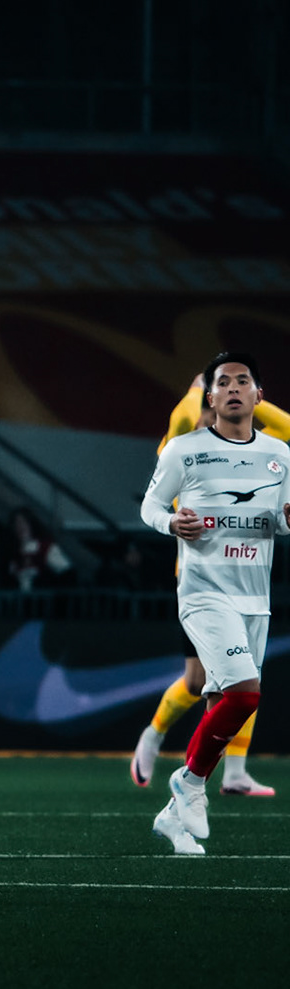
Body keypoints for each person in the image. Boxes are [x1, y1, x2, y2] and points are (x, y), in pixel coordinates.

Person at [138, 352, 290, 855]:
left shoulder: (280, 455)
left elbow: (281, 520)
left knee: (219, 706)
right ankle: (188, 782)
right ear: (210, 396)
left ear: (257, 396)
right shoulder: (184, 449)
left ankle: (175, 822)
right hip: (204, 592)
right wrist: (169, 524)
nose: (232, 388)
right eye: (222, 382)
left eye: (242, 381)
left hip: (255, 597)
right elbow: (150, 506)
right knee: (245, 696)